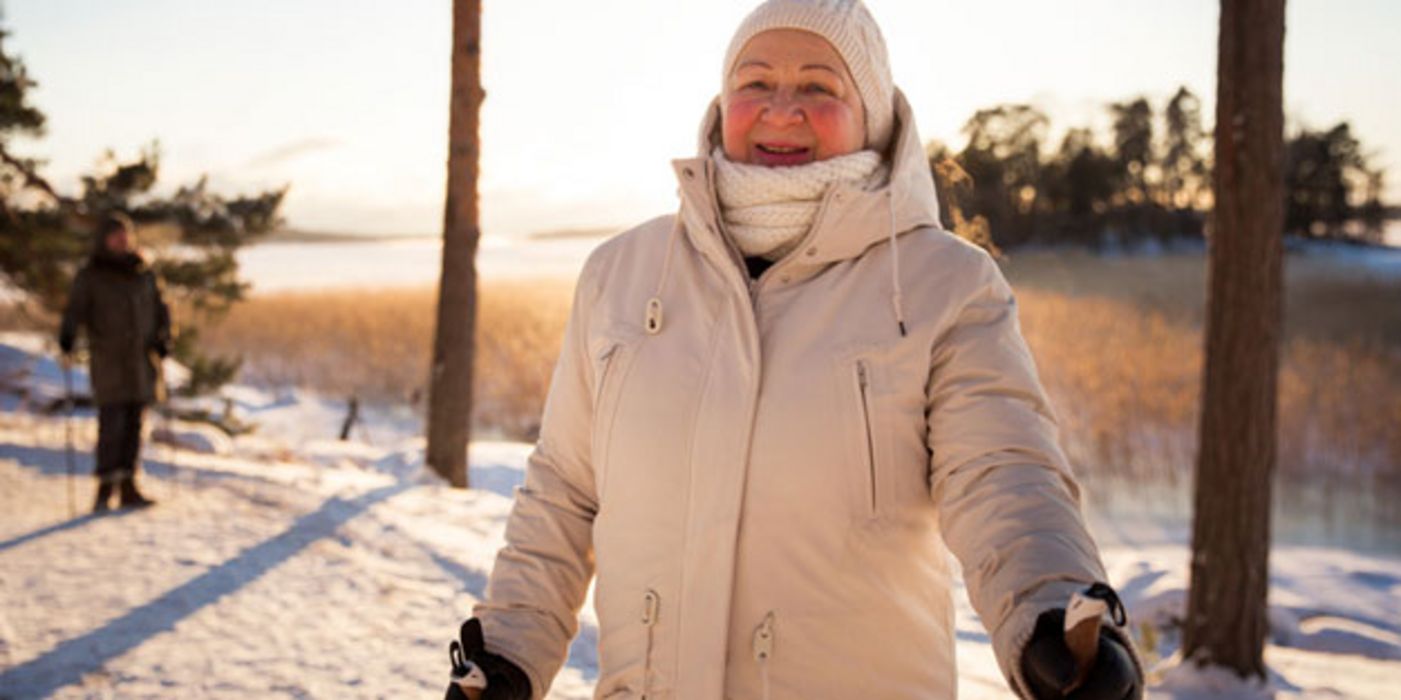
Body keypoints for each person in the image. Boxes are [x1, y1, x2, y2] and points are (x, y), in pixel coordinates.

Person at [446, 1, 1144, 698]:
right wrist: (508, 649)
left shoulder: (943, 284)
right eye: (753, 83)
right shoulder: (621, 273)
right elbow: (564, 490)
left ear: (870, 112)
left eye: (818, 86)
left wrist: (1050, 611)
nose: (781, 109)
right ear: (722, 103)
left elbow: (1000, 473)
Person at [59, 212, 170, 512]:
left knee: (136, 421)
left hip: (140, 359)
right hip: (109, 359)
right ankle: (105, 486)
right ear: (105, 240)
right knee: (112, 422)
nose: (123, 241)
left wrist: (163, 338)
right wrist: (67, 336)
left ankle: (129, 485)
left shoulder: (143, 271)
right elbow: (75, 310)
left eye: (126, 235)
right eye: (116, 236)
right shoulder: (92, 274)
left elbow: (161, 307)